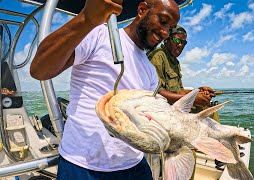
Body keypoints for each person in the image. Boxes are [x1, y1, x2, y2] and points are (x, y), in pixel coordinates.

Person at [30, 0, 180, 179]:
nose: (165, 33)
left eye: (170, 28)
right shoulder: (99, 35)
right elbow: (40, 69)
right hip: (82, 165)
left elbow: (148, 118)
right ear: (142, 10)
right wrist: (86, 19)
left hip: (134, 165)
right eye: (163, 21)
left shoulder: (150, 70)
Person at [148, 25, 215, 109]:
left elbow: (179, 91)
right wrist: (193, 99)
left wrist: (197, 92)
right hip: (161, 108)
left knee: (209, 108)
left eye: (183, 42)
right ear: (166, 40)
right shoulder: (157, 57)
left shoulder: (175, 62)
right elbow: (156, 92)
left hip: (174, 105)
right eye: (176, 40)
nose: (180, 45)